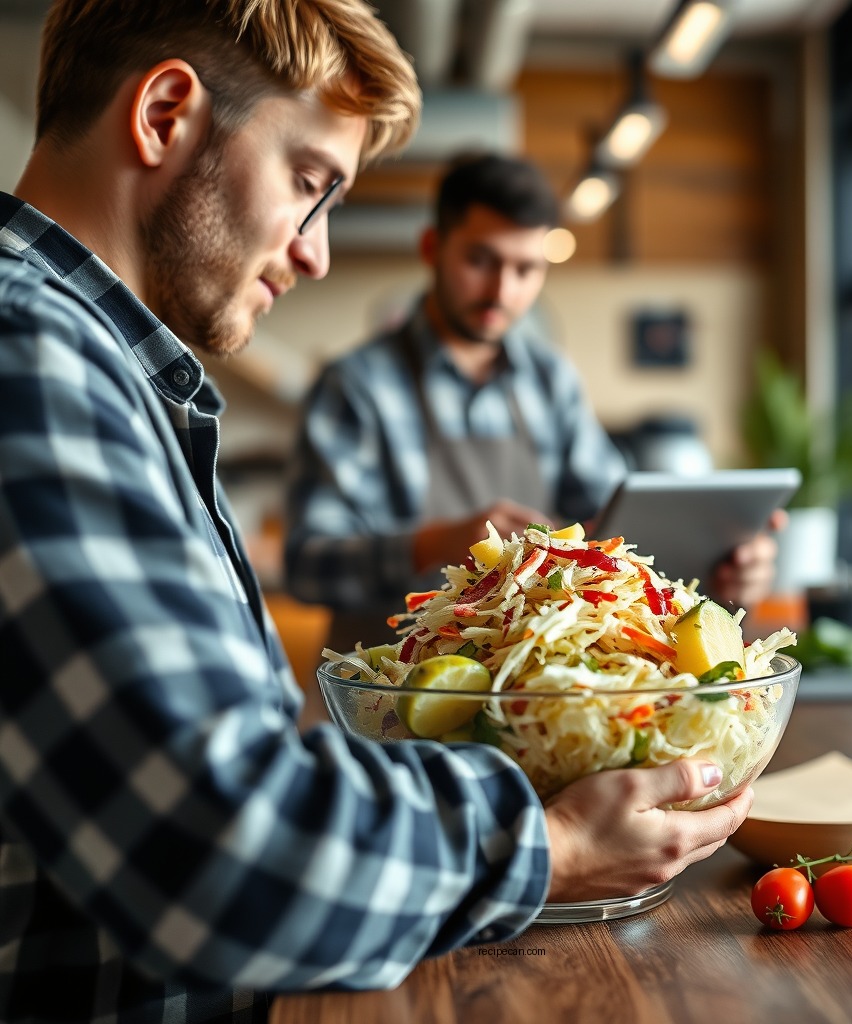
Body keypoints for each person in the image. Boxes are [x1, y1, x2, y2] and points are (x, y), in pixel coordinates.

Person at [0, 3, 753, 1022]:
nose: (313, 253)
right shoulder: (33, 354)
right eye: (308, 184)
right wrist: (551, 848)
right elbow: (218, 846)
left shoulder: (111, 370)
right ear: (166, 113)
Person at [284, 152, 784, 652]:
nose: (502, 290)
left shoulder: (551, 381)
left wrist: (717, 564)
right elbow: (307, 566)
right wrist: (431, 544)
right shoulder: (355, 386)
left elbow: (617, 533)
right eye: (480, 261)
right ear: (432, 248)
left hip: (528, 696)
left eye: (526, 269)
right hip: (390, 698)